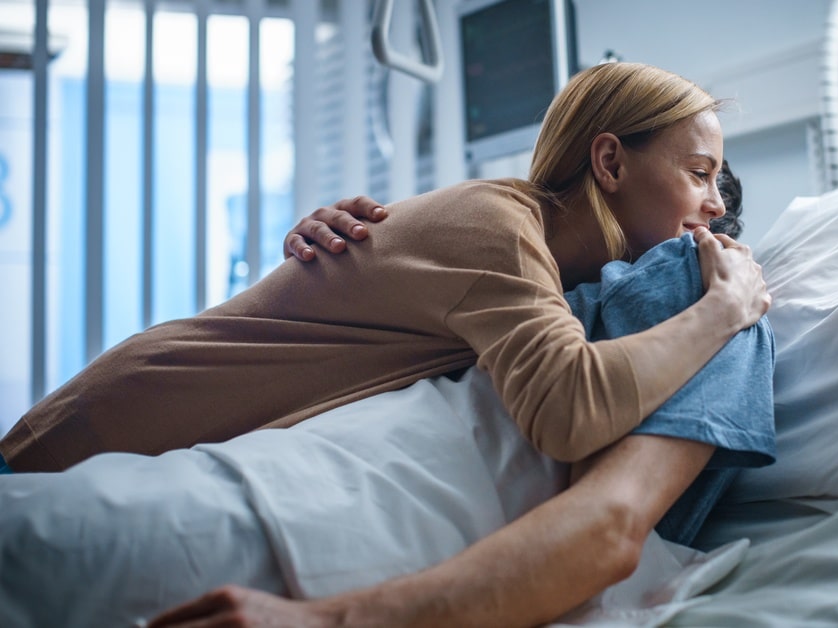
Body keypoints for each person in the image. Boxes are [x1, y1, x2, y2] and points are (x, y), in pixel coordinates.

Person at [0, 62, 772, 626]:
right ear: (608, 161)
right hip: (106, 430)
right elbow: (569, 409)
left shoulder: (532, 257)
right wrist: (725, 309)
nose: (715, 205)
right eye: (701, 172)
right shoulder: (500, 231)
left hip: (145, 429)